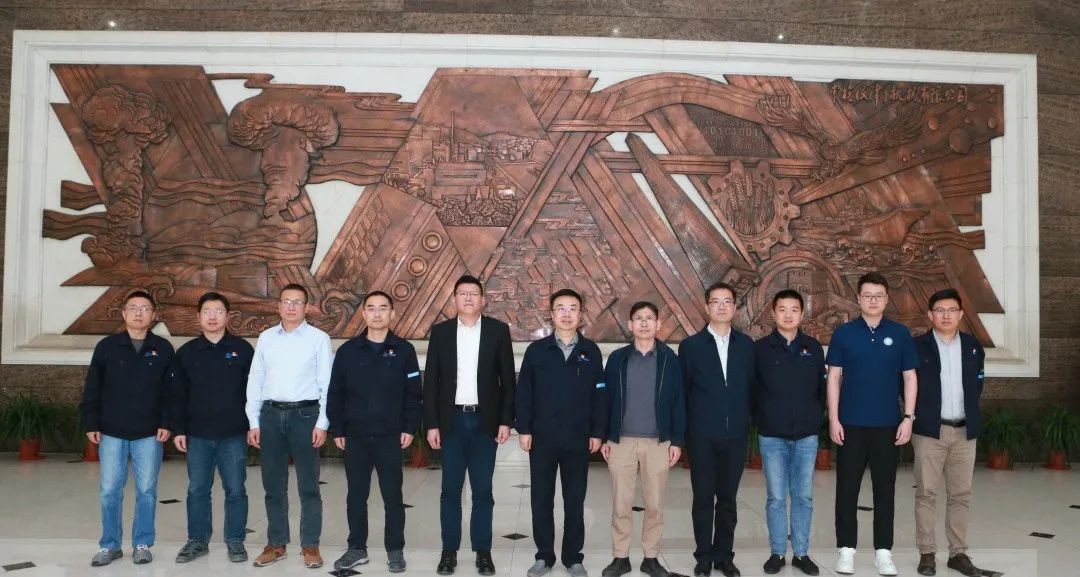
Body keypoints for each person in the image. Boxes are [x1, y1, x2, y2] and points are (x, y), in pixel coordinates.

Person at [827, 272, 918, 576]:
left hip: (888, 426)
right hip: (850, 425)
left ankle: (883, 552)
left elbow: (910, 377)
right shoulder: (844, 333)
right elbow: (834, 378)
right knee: (847, 489)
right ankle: (846, 550)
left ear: (887, 299)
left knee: (885, 489)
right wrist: (834, 418)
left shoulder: (900, 334)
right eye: (867, 295)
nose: (873, 300)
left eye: (878, 295)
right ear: (858, 298)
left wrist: (908, 418)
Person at [424, 275, 516, 576]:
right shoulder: (441, 332)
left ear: (483, 299)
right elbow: (431, 381)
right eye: (462, 293)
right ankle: (448, 551)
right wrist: (432, 424)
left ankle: (483, 552)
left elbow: (508, 381)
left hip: (484, 421)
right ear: (454, 299)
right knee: (450, 490)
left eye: (474, 293)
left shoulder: (498, 331)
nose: (468, 298)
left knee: (483, 490)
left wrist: (505, 421)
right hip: (451, 421)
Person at [327, 290, 422, 574]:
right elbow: (336, 393)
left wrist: (409, 427)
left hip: (390, 437)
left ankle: (395, 550)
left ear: (392, 313)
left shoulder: (404, 350)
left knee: (393, 497)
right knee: (356, 496)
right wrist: (338, 428)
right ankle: (357, 548)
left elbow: (413, 394)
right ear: (364, 313)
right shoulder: (347, 351)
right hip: (355, 436)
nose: (377, 313)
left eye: (383, 308)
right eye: (371, 308)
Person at [516, 289, 607, 577]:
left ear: (581, 314)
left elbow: (600, 395)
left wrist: (597, 432)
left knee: (574, 500)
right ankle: (544, 556)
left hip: (578, 438)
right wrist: (524, 429)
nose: (567, 314)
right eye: (561, 308)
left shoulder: (590, 351)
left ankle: (573, 557)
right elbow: (524, 392)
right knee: (541, 499)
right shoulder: (537, 351)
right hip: (542, 438)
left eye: (573, 308)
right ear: (552, 314)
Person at [79, 289, 174, 567]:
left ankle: (142, 543)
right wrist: (91, 422)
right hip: (111, 431)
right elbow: (93, 387)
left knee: (147, 490)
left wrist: (167, 422)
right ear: (123, 313)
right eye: (133, 307)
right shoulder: (107, 346)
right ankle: (109, 545)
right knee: (109, 490)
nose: (138, 312)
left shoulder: (163, 348)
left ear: (153, 315)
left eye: (145, 308)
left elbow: (172, 391)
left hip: (149, 433)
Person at [246, 283, 332, 569]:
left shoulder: (319, 339)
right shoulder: (266, 338)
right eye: (286, 301)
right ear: (278, 306)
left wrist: (322, 422)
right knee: (273, 485)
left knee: (309, 485)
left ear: (307, 307)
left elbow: (327, 384)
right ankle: (277, 543)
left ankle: (310, 545)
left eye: (297, 302)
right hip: (270, 416)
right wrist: (254, 420)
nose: (291, 307)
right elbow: (255, 379)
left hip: (305, 416)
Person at [600, 301, 685, 577]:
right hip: (621, 441)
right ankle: (620, 557)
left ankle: (651, 558)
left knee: (655, 504)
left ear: (659, 324)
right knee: (620, 503)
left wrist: (676, 440)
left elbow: (679, 402)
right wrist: (605, 437)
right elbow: (606, 399)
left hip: (658, 442)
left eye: (650, 318)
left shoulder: (671, 360)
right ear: (630, 324)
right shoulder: (617, 359)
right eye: (639, 318)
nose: (644, 323)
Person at [679, 282, 756, 577]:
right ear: (706, 307)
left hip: (735, 435)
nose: (721, 306)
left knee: (727, 499)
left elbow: (752, 388)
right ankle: (703, 556)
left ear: (735, 307)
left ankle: (724, 556)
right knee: (702, 499)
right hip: (701, 436)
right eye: (715, 301)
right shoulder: (690, 347)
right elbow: (683, 394)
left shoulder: (746, 345)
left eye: (727, 301)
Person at [172, 292, 254, 564]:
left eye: (218, 311)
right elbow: (177, 395)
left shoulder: (243, 349)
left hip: (234, 434)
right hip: (197, 435)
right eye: (207, 311)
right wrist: (179, 429)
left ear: (227, 316)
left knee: (236, 490)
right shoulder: (186, 352)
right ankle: (197, 541)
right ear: (198, 316)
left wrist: (253, 425)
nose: (212, 316)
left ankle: (235, 541)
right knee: (197, 490)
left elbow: (254, 392)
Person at [751, 290, 825, 576]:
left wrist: (812, 419)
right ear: (773, 313)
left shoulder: (813, 347)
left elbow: (820, 390)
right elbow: (752, 390)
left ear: (802, 314)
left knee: (803, 497)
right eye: (782, 309)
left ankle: (802, 554)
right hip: (772, 437)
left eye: (794, 309)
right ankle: (778, 552)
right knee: (776, 498)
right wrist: (764, 420)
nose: (788, 314)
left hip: (806, 437)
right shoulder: (760, 349)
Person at [912, 289, 985, 577]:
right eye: (940, 310)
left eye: (952, 310)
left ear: (961, 314)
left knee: (961, 494)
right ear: (930, 315)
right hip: (930, 431)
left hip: (964, 431)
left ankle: (958, 553)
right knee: (926, 493)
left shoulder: (973, 346)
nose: (946, 315)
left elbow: (978, 384)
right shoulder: (918, 346)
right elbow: (904, 385)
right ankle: (927, 553)